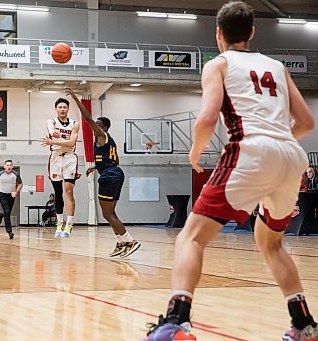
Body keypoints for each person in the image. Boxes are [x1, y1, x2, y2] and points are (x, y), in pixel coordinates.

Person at [144, 2, 316, 341]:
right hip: (291, 156)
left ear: (218, 33)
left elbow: (207, 118)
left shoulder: (218, 64)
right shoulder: (278, 67)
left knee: (190, 237)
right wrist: (278, 142)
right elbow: (307, 122)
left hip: (248, 151)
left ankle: (176, 322)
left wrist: (195, 152)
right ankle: (304, 325)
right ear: (251, 32)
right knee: (271, 243)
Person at [65, 88, 141, 258]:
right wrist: (97, 167)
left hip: (109, 176)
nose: (95, 127)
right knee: (110, 213)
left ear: (104, 127)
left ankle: (130, 241)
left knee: (107, 214)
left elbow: (87, 118)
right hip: (115, 172)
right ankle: (121, 242)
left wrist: (75, 98)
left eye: (98, 125)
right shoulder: (109, 141)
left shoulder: (101, 135)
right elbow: (116, 160)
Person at [40, 97, 80, 238]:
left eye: (65, 107)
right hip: (55, 157)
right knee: (57, 192)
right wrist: (53, 134)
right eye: (60, 107)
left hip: (69, 157)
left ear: (68, 109)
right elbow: (51, 128)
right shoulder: (51, 121)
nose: (62, 109)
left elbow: (71, 143)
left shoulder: (75, 124)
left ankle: (69, 223)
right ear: (56, 109)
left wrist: (54, 141)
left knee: (68, 191)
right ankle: (59, 222)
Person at [0, 160, 23, 239]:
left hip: (11, 195)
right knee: (7, 212)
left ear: (12, 167)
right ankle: (9, 231)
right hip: (3, 195)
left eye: (10, 165)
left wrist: (16, 192)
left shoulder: (15, 174)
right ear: (4, 167)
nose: (8, 167)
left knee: (7, 212)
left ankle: (1, 214)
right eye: (7, 165)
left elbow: (20, 184)